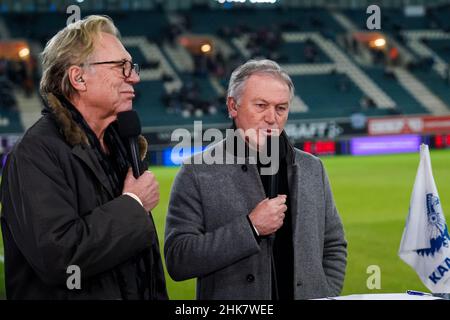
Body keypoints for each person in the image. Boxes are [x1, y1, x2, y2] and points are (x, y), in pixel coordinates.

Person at [0, 15, 168, 300]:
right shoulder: (35, 154)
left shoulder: (122, 146)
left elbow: (145, 266)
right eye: (121, 67)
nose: (135, 77)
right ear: (78, 78)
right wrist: (134, 204)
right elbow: (60, 260)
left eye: (133, 66)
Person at [164, 59, 347, 300]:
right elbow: (179, 259)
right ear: (232, 106)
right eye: (261, 105)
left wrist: (324, 293)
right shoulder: (196, 172)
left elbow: (334, 245)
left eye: (281, 108)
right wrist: (250, 228)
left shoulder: (312, 168)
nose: (272, 118)